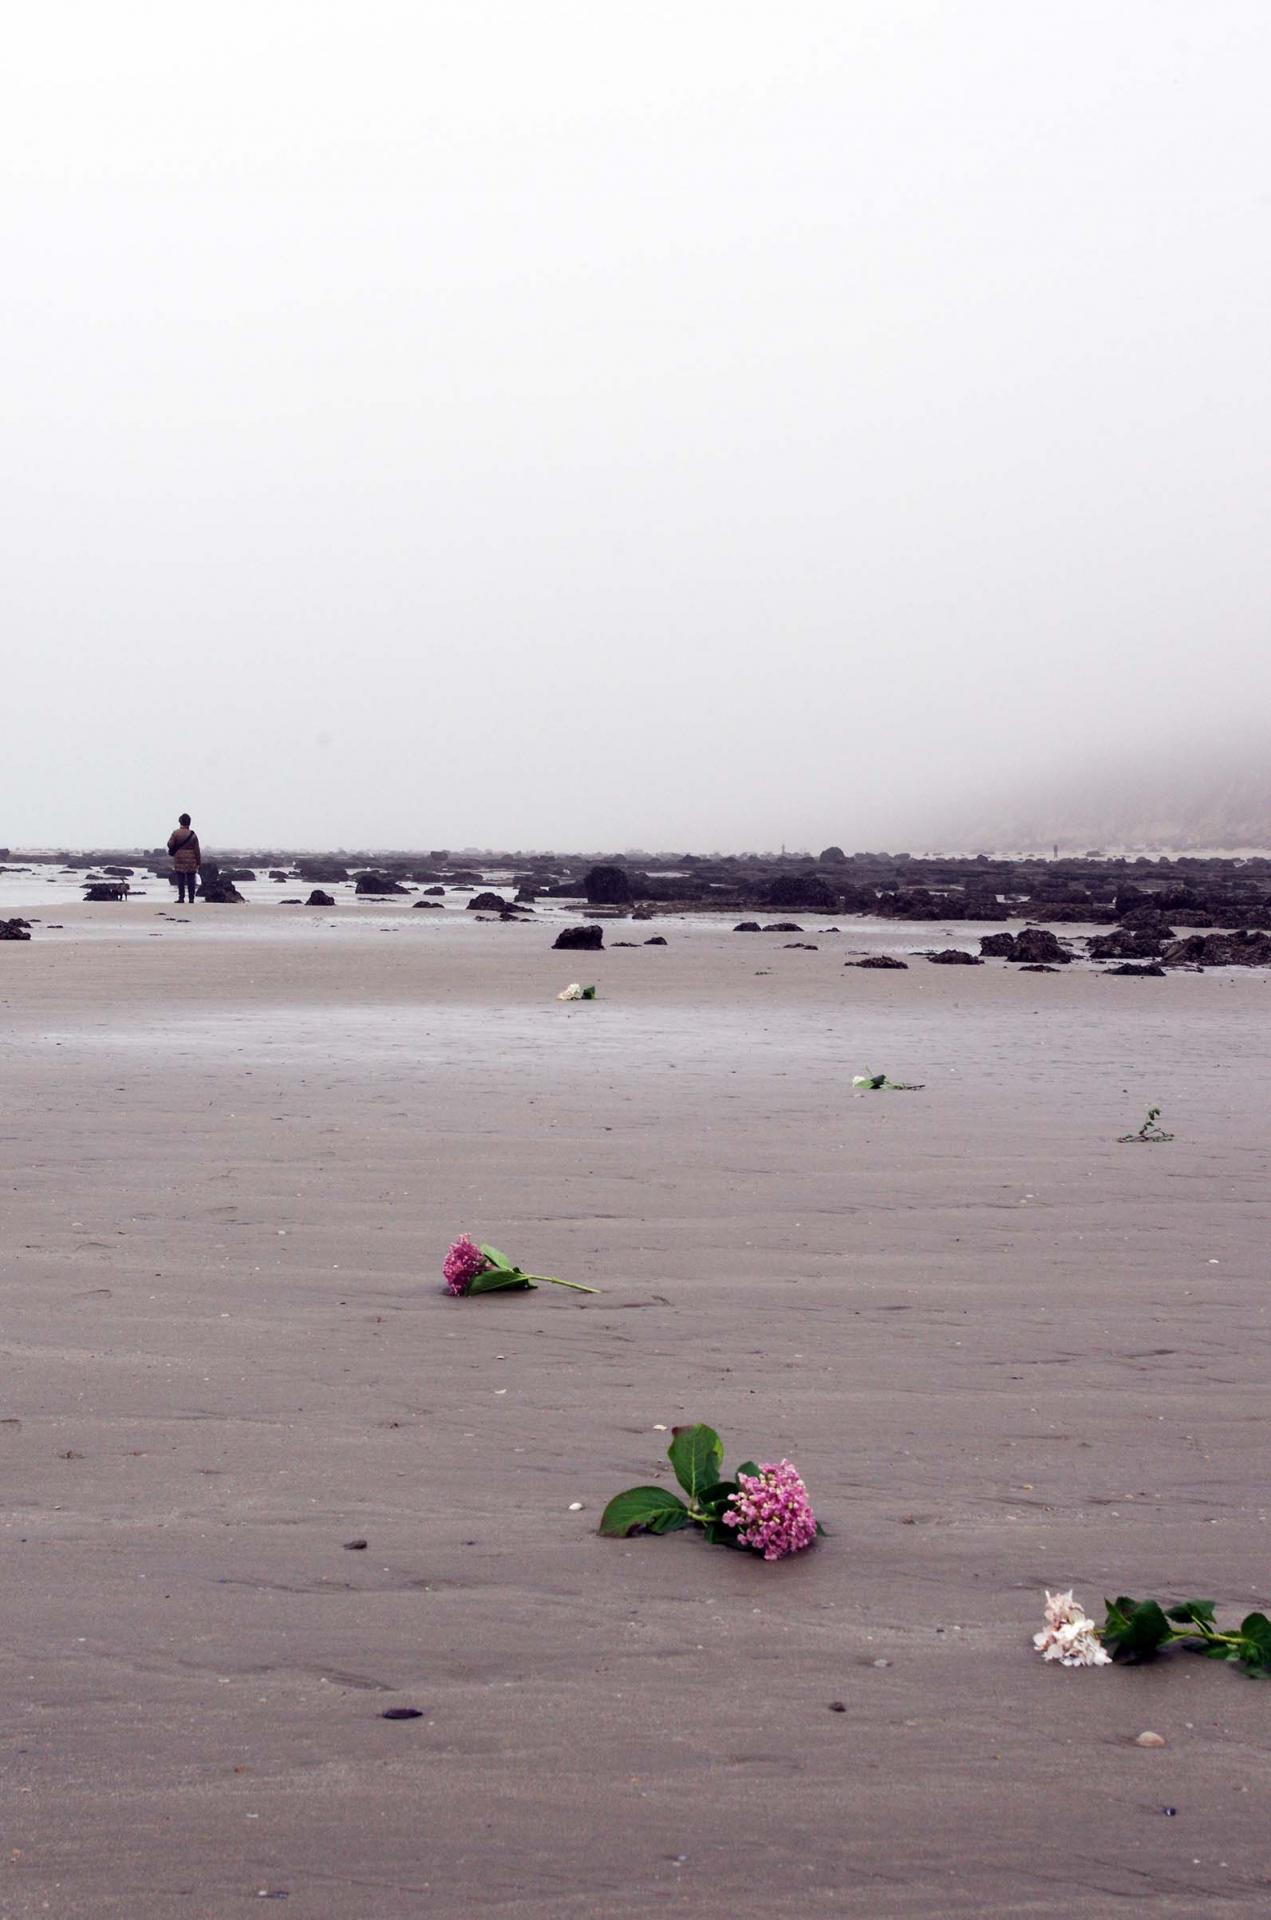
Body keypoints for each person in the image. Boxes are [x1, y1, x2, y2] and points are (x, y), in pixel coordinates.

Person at [168, 813, 201, 903]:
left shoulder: (175, 833)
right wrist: (198, 862)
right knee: (191, 879)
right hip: (191, 859)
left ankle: (181, 898)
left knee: (180, 879)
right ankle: (191, 898)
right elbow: (197, 850)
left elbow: (170, 844)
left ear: (180, 822)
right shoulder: (193, 835)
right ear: (189, 823)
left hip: (179, 859)